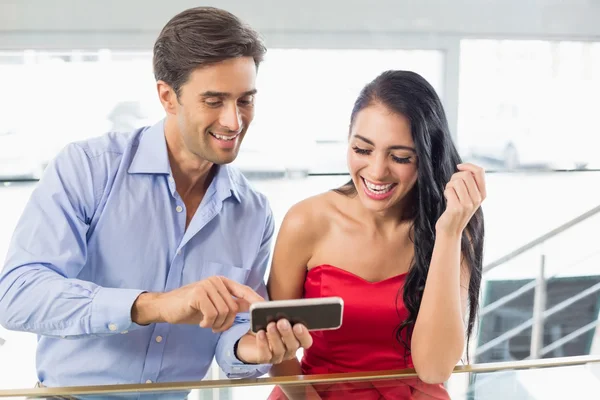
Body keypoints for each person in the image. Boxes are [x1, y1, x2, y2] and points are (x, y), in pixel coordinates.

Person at [0, 6, 312, 390]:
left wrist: (254, 350)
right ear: (167, 96)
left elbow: (236, 332)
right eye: (214, 101)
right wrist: (155, 304)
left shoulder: (252, 211)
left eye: (245, 100)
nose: (234, 121)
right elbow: (18, 294)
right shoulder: (88, 168)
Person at [267, 70, 485, 399]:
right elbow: (276, 350)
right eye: (363, 150)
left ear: (427, 157)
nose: (377, 171)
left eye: (399, 157)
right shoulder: (306, 221)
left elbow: (435, 368)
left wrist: (449, 233)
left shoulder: (453, 230)